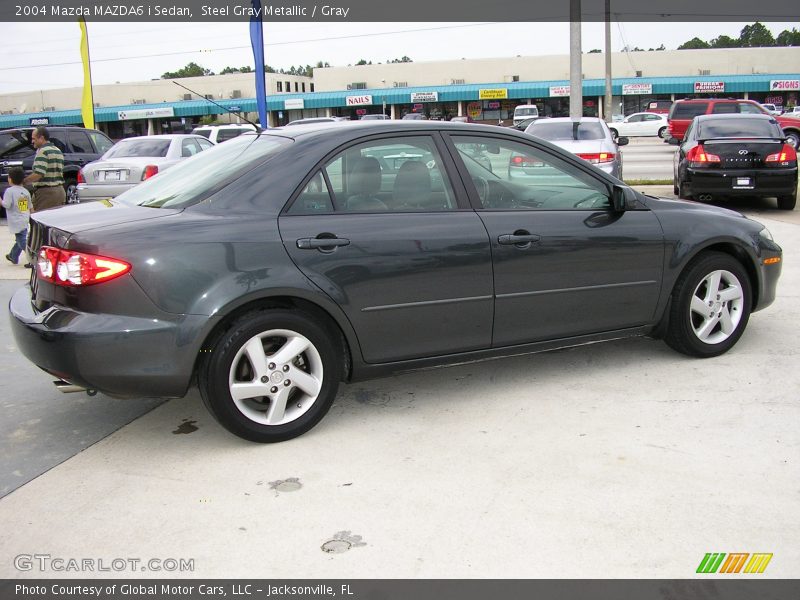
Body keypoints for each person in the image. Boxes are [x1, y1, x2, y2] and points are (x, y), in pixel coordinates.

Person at [22, 126, 65, 211]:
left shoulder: (43, 151)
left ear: (41, 138)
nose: (32, 141)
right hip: (60, 191)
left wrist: (23, 181)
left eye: (34, 139)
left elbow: (39, 173)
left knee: (40, 220)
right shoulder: (57, 150)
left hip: (46, 194)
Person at [2, 167, 31, 265]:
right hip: (24, 218)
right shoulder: (24, 191)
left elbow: (7, 204)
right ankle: (13, 256)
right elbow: (25, 206)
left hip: (16, 220)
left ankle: (33, 257)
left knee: (21, 240)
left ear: (10, 179)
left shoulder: (9, 191)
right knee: (20, 238)